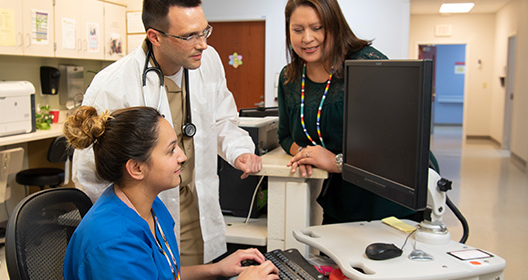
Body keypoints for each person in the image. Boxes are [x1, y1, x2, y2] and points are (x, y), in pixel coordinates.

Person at [71, 0, 262, 265]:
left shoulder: (209, 61)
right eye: (189, 36)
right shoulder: (112, 85)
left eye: (205, 31)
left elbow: (222, 120)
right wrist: (120, 234)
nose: (202, 44)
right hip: (143, 221)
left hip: (200, 206)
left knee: (205, 269)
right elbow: (90, 175)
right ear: (155, 37)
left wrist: (239, 150)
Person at [63, 106, 278, 280]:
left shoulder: (150, 206)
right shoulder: (114, 244)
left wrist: (217, 269)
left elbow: (163, 273)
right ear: (136, 168)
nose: (182, 156)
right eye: (171, 150)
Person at [277, 0, 423, 224]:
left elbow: (397, 148)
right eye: (298, 30)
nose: (307, 38)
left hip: (389, 201)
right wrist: (306, 154)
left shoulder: (367, 64)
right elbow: (285, 136)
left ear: (335, 26)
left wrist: (336, 162)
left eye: (317, 28)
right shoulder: (290, 77)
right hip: (341, 200)